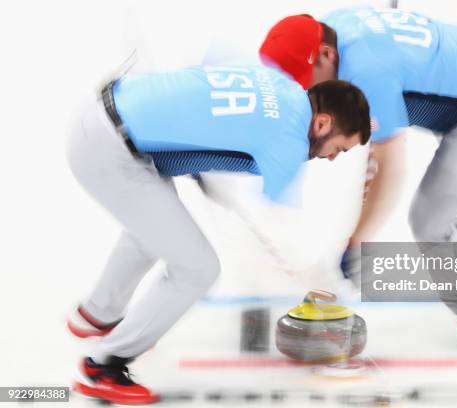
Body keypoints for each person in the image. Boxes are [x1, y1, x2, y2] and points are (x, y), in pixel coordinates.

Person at [66, 63, 371, 404]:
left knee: (155, 232)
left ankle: (97, 314)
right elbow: (283, 232)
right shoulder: (289, 139)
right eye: (340, 149)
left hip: (109, 119)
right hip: (109, 148)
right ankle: (101, 366)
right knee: (197, 268)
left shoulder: (282, 91)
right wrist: (331, 295)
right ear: (323, 123)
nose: (332, 159)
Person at [259, 7, 457, 347]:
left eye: (307, 80)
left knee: (430, 216)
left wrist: (358, 242)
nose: (310, 93)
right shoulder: (337, 28)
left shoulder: (366, 70)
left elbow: (389, 168)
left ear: (326, 54)